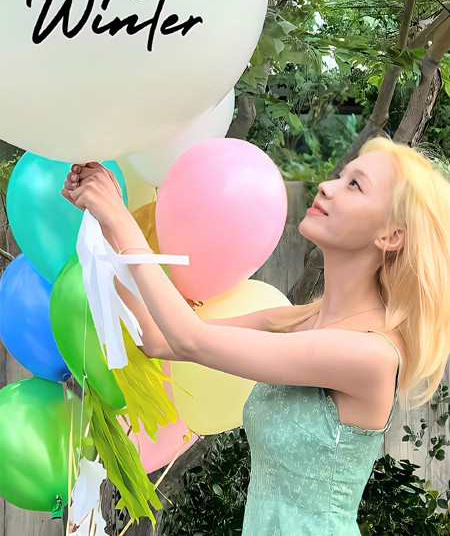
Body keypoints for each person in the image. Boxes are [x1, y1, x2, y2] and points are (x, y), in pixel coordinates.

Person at [62, 136, 450, 535]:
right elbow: (158, 340)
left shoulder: (372, 354)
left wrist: (120, 219)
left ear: (390, 236)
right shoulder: (295, 321)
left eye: (355, 185)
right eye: (340, 175)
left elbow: (190, 338)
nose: (326, 186)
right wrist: (108, 224)